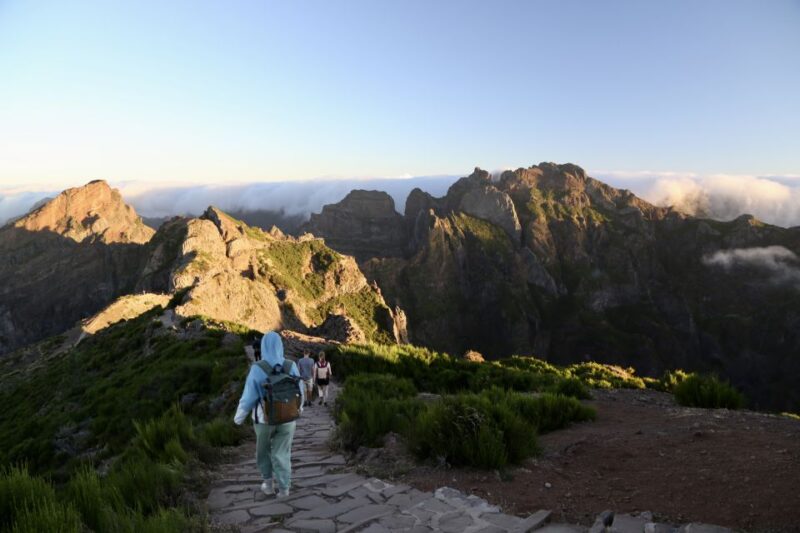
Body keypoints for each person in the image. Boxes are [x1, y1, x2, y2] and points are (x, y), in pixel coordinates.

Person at [234, 332, 305, 498]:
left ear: (263, 346)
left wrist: (238, 418)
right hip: (288, 418)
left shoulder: (258, 368)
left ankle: (267, 484)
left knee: (263, 451)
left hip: (263, 420)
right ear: (281, 345)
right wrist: (299, 409)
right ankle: (284, 488)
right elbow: (300, 391)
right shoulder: (290, 365)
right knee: (282, 452)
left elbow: (248, 397)